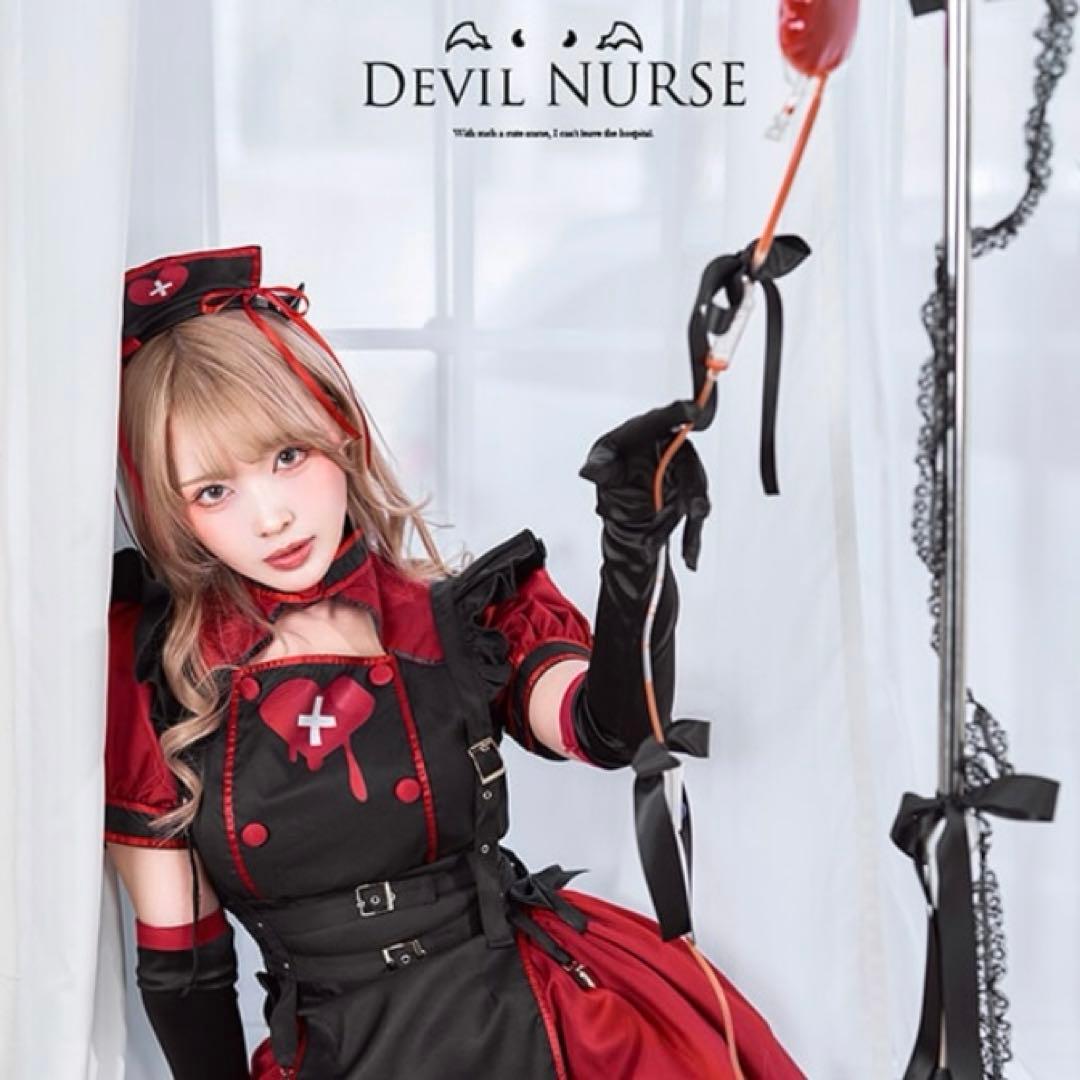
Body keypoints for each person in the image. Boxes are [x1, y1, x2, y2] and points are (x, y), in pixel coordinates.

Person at [104, 244, 803, 1079]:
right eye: (214, 491)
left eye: (287, 456)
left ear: (340, 432)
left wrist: (632, 552)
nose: (271, 518)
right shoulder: (161, 681)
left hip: (540, 1029)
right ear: (171, 514)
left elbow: (607, 729)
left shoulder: (456, 617)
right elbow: (185, 969)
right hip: (342, 1055)